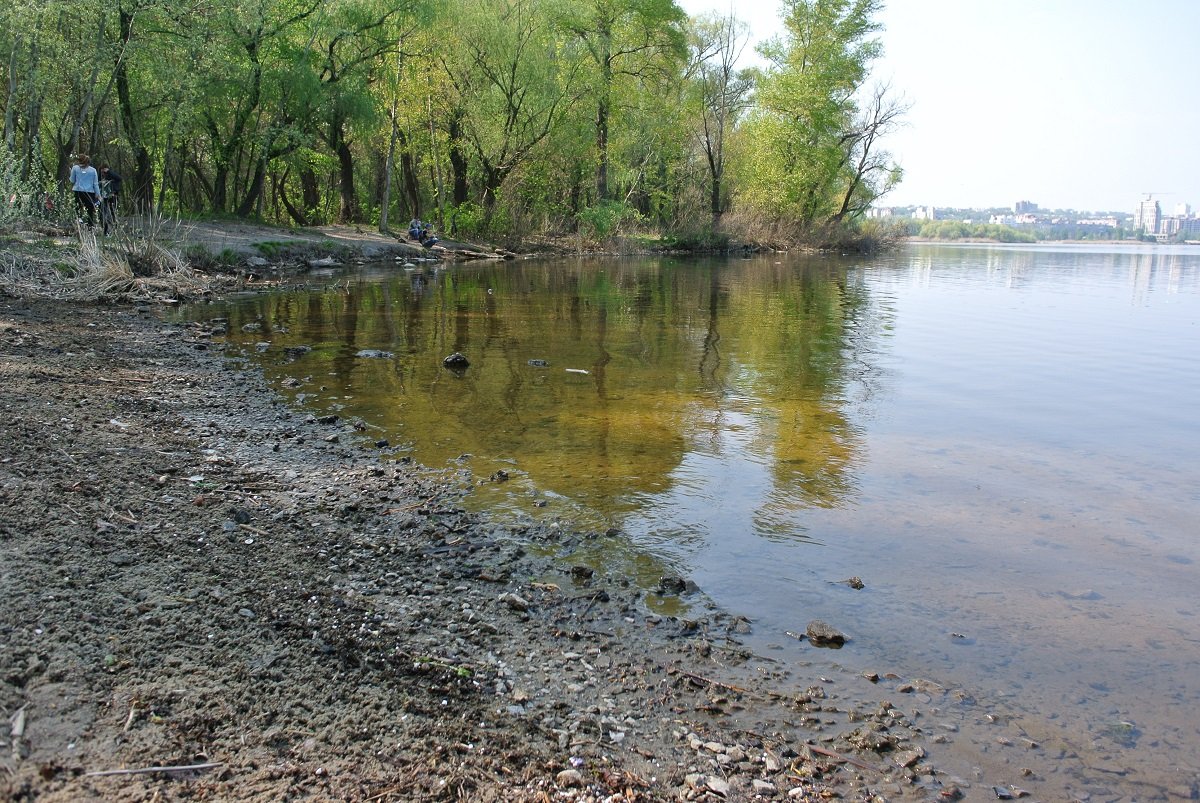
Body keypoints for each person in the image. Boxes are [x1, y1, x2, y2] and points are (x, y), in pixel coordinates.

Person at [68, 155, 100, 230]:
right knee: (90, 209)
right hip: (90, 192)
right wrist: (98, 194)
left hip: (78, 190)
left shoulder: (75, 168)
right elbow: (95, 183)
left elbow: (72, 180)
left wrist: (70, 174)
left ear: (79, 161)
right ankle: (90, 226)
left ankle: (79, 221)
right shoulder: (93, 170)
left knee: (78, 207)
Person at [98, 164, 122, 234]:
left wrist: (108, 172)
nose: (103, 172)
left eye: (104, 170)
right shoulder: (99, 176)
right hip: (103, 196)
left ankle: (115, 227)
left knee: (113, 211)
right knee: (103, 212)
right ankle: (105, 229)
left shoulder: (111, 174)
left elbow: (119, 178)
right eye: (102, 171)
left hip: (112, 195)